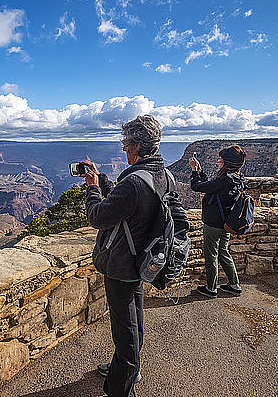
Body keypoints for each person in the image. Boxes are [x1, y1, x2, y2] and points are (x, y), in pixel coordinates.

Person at [81, 115, 168, 397]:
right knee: (135, 316)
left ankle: (122, 387)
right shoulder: (163, 174)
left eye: (126, 145)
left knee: (124, 327)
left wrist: (92, 187)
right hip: (145, 259)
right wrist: (103, 179)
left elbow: (98, 217)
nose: (123, 150)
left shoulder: (134, 183)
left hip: (122, 265)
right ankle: (128, 367)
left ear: (137, 145)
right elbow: (127, 203)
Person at [189, 145, 247, 298]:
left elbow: (197, 187)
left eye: (221, 158)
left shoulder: (223, 181)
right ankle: (235, 285)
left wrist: (194, 171)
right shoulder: (236, 177)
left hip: (213, 225)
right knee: (223, 252)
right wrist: (200, 171)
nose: (218, 160)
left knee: (211, 255)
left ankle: (211, 288)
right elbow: (209, 186)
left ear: (227, 162)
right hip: (226, 223)